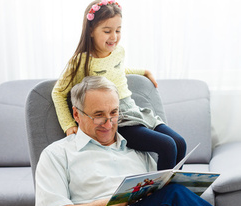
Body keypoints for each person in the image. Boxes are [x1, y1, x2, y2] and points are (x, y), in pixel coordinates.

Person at [34, 76, 241, 206]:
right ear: (77, 115)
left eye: (114, 113)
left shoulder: (136, 150)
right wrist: (117, 202)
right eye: (98, 115)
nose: (109, 124)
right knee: (173, 197)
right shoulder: (57, 154)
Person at [52, 0, 185, 170]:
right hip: (116, 120)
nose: (114, 36)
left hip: (133, 110)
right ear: (91, 30)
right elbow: (58, 93)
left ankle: (174, 191)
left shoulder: (119, 51)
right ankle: (164, 195)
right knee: (167, 145)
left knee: (180, 143)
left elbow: (118, 71)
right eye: (107, 31)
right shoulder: (81, 62)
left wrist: (143, 71)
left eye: (118, 30)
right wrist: (69, 125)